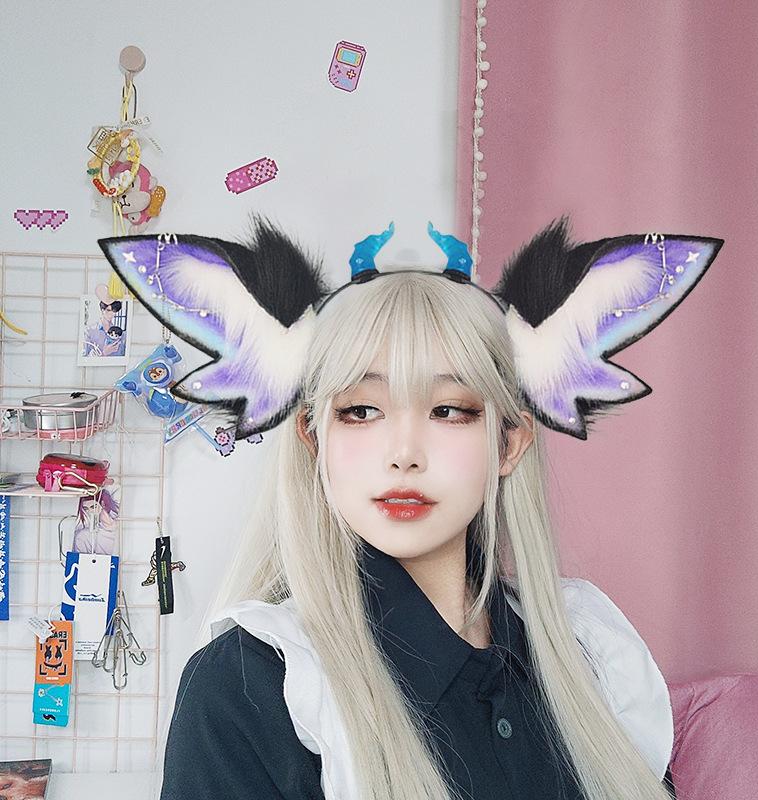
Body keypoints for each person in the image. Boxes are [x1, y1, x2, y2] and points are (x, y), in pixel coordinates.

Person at [99, 216, 721, 799]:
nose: (403, 454)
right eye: (361, 411)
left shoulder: (591, 650)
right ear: (314, 438)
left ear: (509, 443)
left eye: (448, 410)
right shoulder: (248, 688)